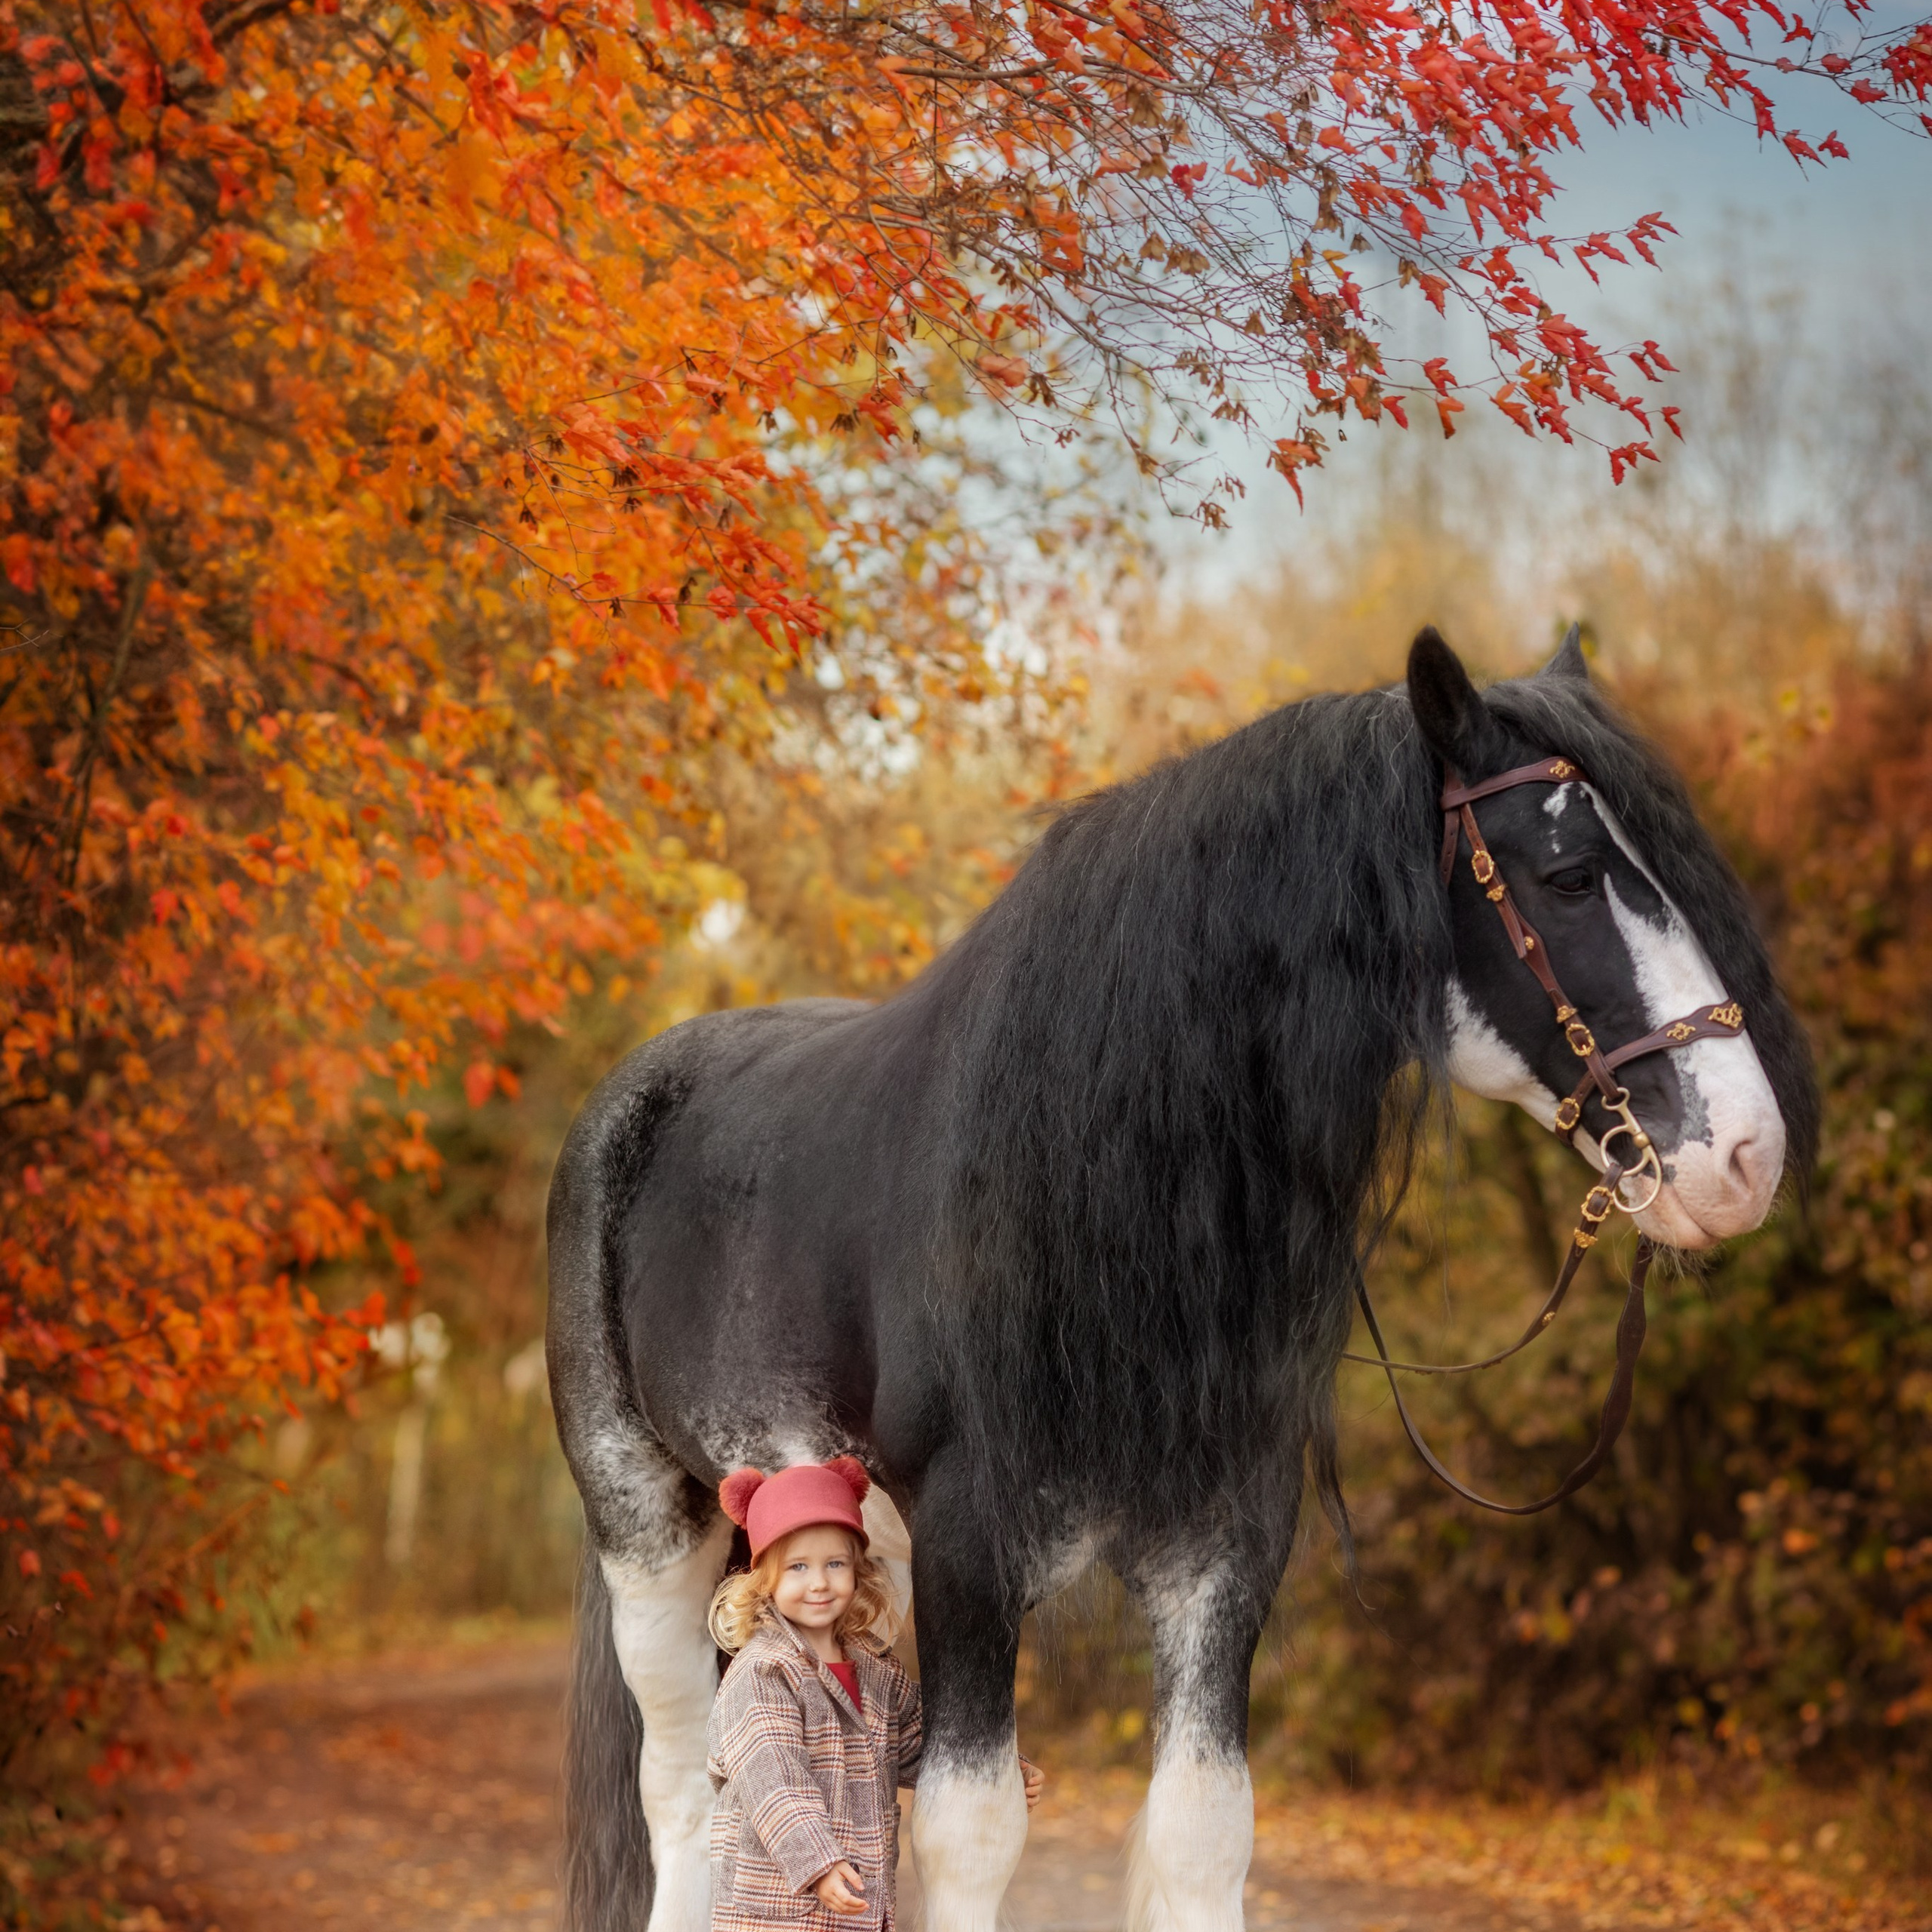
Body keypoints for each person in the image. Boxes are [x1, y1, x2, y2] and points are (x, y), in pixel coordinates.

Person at [706, 1458, 1043, 1932]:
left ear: (858, 1571)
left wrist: (998, 1771)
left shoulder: (875, 1669)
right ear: (766, 1578)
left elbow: (921, 1745)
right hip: (779, 1906)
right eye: (798, 1566)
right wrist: (816, 1861)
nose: (819, 1582)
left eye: (835, 1564)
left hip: (859, 1902)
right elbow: (773, 1781)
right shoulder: (763, 1672)